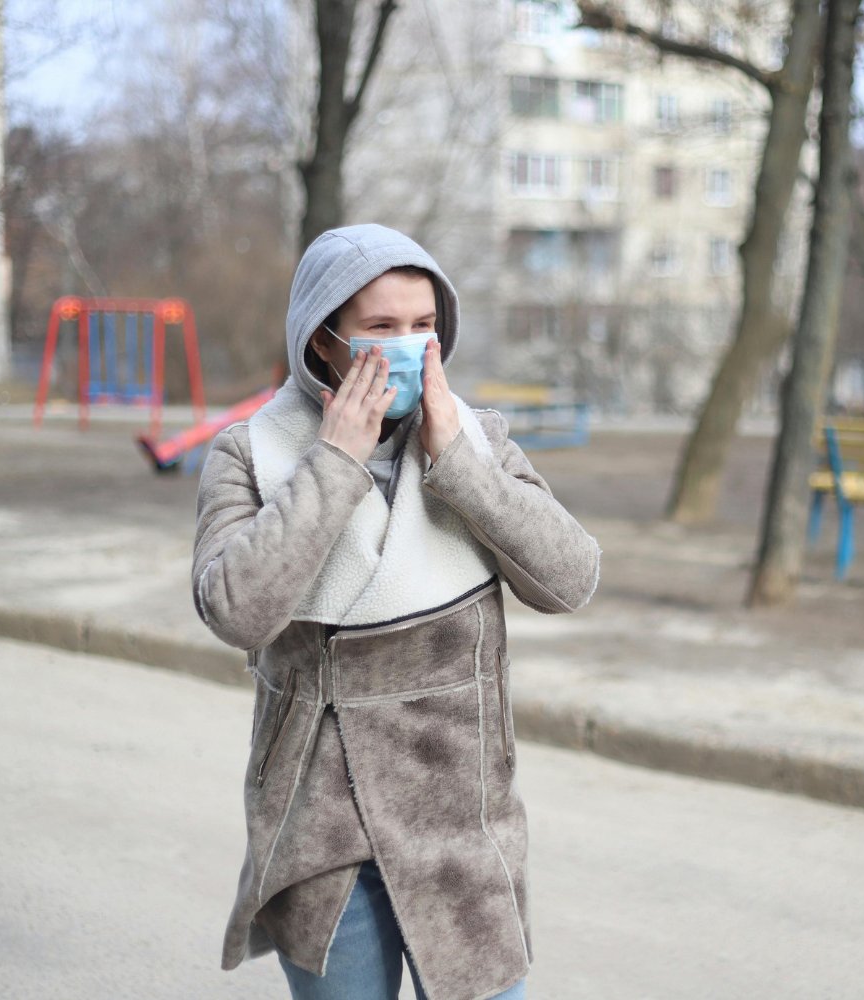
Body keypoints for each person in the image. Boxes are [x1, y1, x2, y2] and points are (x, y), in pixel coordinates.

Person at [191, 223, 601, 1000]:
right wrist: (337, 461)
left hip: (463, 824)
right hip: (321, 834)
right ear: (324, 342)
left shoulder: (476, 439)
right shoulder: (251, 451)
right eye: (380, 328)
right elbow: (235, 610)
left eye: (424, 327)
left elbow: (572, 578)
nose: (409, 346)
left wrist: (460, 465)